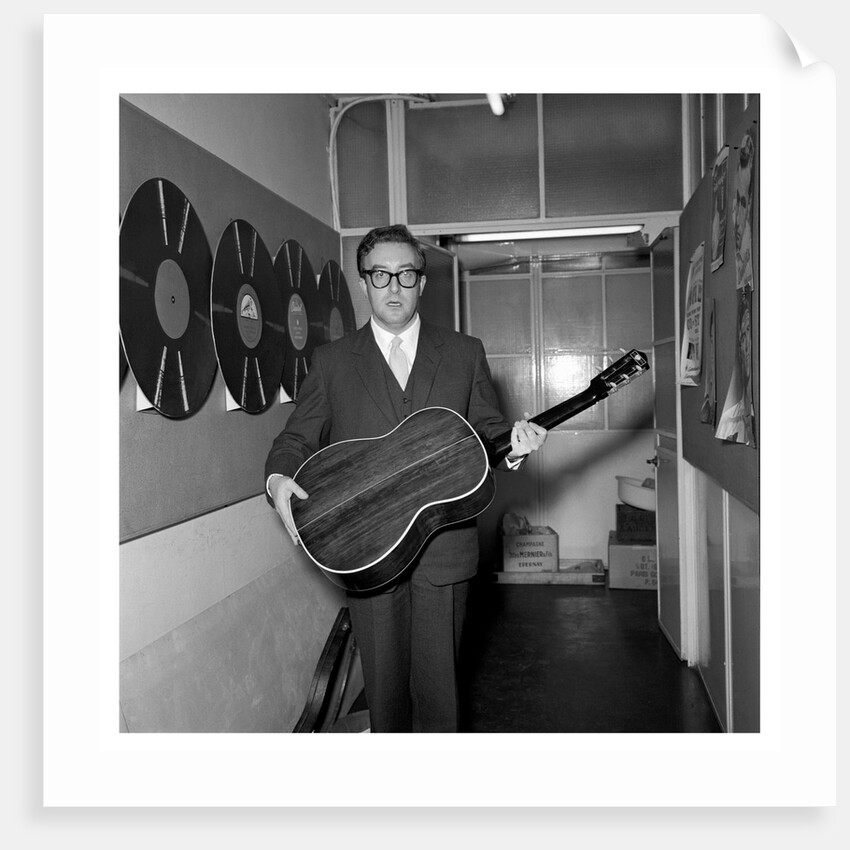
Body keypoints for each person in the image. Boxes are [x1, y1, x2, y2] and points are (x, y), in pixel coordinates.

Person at [264, 224, 547, 733]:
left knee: (441, 696)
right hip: (368, 553)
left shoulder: (465, 352)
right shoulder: (331, 363)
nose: (393, 287)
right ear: (364, 283)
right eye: (380, 275)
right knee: (386, 700)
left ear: (423, 282)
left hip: (445, 552)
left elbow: (488, 431)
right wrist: (279, 480)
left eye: (406, 274)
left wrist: (514, 449)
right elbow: (295, 439)